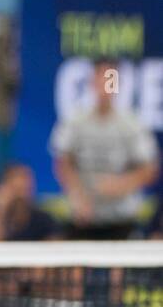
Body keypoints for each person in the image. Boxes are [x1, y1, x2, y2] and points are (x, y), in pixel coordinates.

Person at [50, 58, 159, 239]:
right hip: (82, 218)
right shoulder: (75, 121)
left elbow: (149, 168)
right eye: (101, 78)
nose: (105, 85)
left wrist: (122, 184)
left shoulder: (132, 124)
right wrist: (77, 194)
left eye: (111, 79)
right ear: (92, 81)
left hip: (121, 219)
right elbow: (62, 161)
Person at [0, 163, 58, 241]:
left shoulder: (44, 220)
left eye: (27, 183)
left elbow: (55, 249)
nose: (24, 185)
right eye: (17, 188)